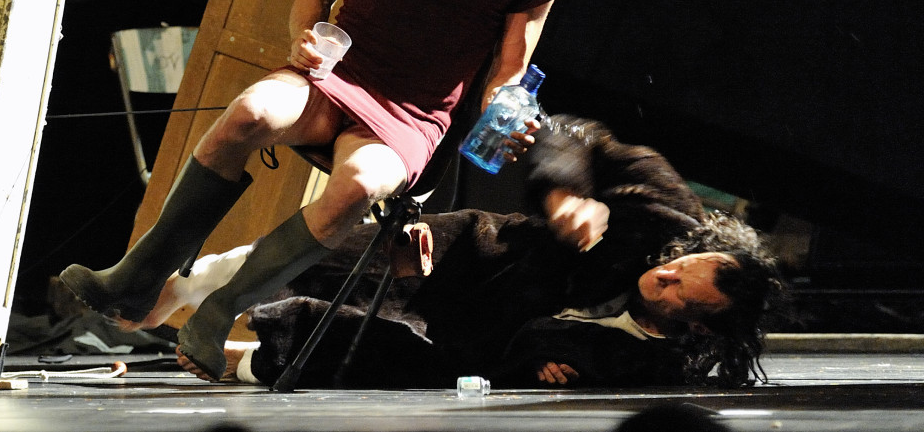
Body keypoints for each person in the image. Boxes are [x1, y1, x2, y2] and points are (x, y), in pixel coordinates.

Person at [60, 0, 564, 380]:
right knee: (248, 113)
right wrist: (304, 37)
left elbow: (510, 71)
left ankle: (219, 311)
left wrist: (510, 111)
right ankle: (136, 277)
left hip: (413, 114)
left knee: (356, 187)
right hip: (338, 74)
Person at [161, 115, 784, 389]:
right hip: (473, 253)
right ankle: (176, 289)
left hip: (474, 339)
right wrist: (565, 192)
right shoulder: (666, 211)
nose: (664, 276)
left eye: (676, 293)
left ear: (699, 326)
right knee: (331, 256)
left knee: (379, 358)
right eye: (677, 267)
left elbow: (573, 363)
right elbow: (574, 133)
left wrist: (549, 370)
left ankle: (247, 361)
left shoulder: (657, 364)